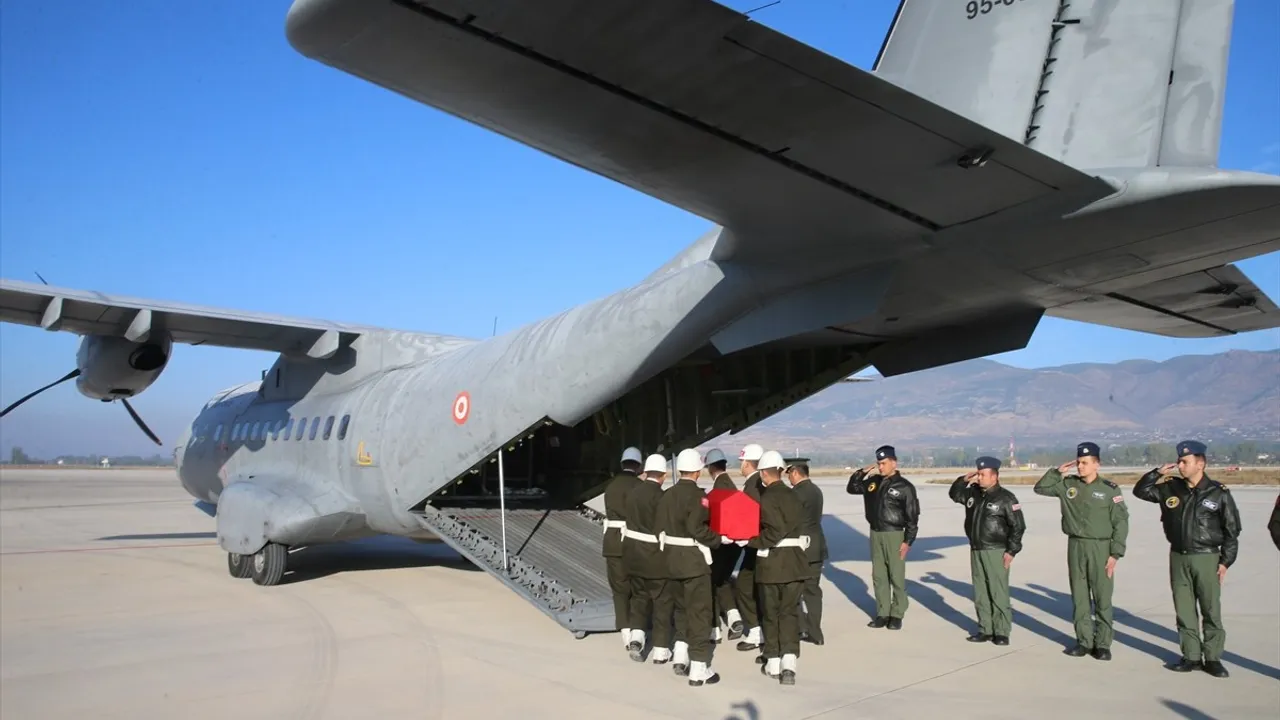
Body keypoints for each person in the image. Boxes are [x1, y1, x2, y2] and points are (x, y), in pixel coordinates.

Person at [1132, 440, 1241, 678]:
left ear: (1200, 464)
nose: (1180, 465)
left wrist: (1225, 562)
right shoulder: (1171, 488)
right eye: (1179, 460)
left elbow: (1232, 531)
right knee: (1184, 609)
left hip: (1207, 557)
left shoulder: (1218, 493)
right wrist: (1156, 473)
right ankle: (1191, 656)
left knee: (1211, 610)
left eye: (1185, 461)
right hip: (1178, 556)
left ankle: (1212, 658)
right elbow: (1140, 491)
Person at [1033, 441, 1129, 661]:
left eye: (1085, 463)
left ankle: (1103, 644)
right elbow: (1041, 488)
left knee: (1102, 598)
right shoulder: (1068, 485)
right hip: (1076, 545)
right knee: (1080, 596)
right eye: (1078, 462)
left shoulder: (1109, 490)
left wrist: (1115, 553)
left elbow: (1121, 522)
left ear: (1097, 464)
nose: (1080, 467)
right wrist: (1056, 472)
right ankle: (1084, 641)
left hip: (1101, 547)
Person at [654, 448, 730, 687]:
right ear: (697, 472)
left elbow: (658, 528)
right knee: (699, 613)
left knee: (680, 610)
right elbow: (697, 529)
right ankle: (699, 667)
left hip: (670, 563)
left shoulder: (666, 496)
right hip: (693, 564)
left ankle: (680, 654)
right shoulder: (699, 497)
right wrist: (719, 539)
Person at [745, 450, 809, 685]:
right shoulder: (795, 495)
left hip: (773, 564)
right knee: (790, 613)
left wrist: (750, 541)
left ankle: (773, 661)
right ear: (781, 471)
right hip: (795, 563)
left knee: (771, 614)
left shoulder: (768, 498)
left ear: (763, 473)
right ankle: (789, 663)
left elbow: (774, 531)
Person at [949, 456, 1026, 646]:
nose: (979, 477)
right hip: (976, 549)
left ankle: (1001, 631)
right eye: (978, 473)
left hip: (996, 550)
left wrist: (1011, 551)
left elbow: (1018, 526)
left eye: (983, 474)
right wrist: (964, 480)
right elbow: (954, 494)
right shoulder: (973, 494)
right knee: (981, 591)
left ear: (995, 477)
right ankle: (985, 629)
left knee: (998, 591)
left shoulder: (1006, 498)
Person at [845, 445, 919, 629]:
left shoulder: (905, 487)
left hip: (894, 534)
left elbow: (912, 517)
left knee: (896, 575)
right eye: (879, 463)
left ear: (894, 463)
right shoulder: (873, 482)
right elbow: (852, 488)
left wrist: (908, 541)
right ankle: (882, 612)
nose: (881, 467)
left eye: (884, 463)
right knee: (879, 576)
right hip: (876, 533)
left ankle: (897, 613)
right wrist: (862, 471)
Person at [622, 453, 670, 661]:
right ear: (663, 475)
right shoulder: (662, 497)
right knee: (661, 601)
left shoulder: (633, 493)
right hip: (653, 557)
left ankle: (637, 637)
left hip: (632, 555)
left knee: (639, 598)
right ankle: (660, 648)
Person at [602, 446, 644, 649]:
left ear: (622, 464)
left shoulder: (611, 487)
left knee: (619, 590)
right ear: (639, 465)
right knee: (637, 588)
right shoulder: (640, 487)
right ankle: (637, 630)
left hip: (612, 541)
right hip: (633, 541)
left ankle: (625, 633)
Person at [785, 455, 827, 645]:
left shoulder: (796, 493)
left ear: (794, 472)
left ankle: (800, 628)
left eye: (789, 474)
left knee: (793, 591)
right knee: (813, 591)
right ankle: (816, 633)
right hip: (816, 545)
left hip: (800, 547)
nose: (788, 478)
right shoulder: (816, 491)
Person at [704, 447, 743, 641]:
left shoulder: (717, 490)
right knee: (723, 580)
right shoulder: (733, 486)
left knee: (710, 582)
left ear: (711, 467)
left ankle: (714, 628)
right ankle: (734, 618)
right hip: (736, 546)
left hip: (720, 544)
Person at [733, 443, 767, 652]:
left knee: (744, 587)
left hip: (755, 546)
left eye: (742, 462)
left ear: (747, 463)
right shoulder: (760, 483)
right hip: (759, 545)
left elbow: (751, 516)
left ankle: (756, 633)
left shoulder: (752, 485)